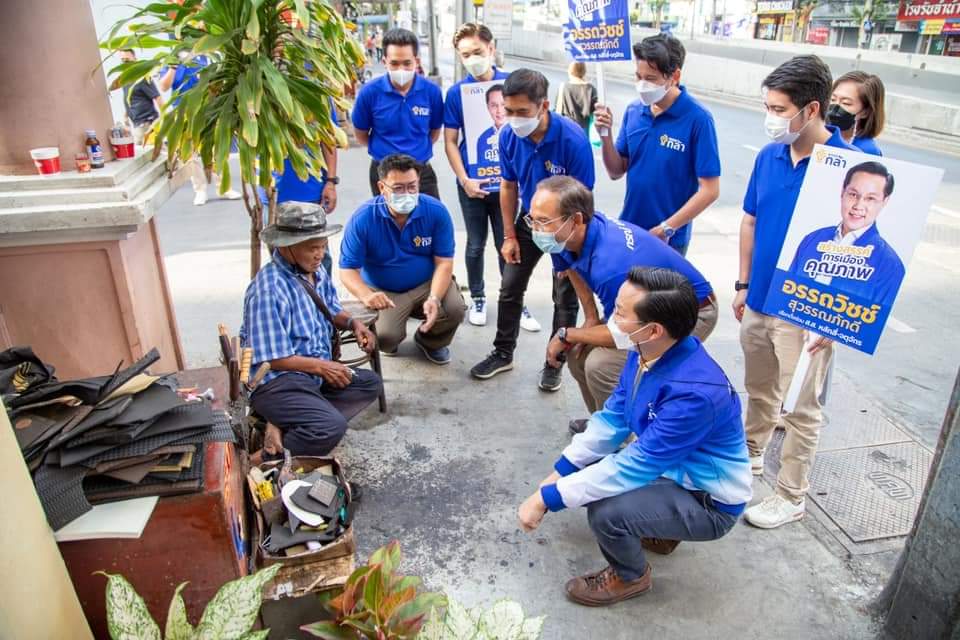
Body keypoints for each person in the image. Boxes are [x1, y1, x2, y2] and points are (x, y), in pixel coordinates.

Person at [517, 267, 752, 607]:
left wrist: (547, 498)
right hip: (673, 473)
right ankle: (660, 530)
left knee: (606, 511)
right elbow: (612, 418)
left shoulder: (695, 394)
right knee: (589, 474)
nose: (612, 321)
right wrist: (559, 472)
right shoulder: (646, 351)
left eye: (620, 313)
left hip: (708, 501)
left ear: (653, 329)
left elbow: (634, 466)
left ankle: (630, 576)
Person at [733, 55, 857, 530]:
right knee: (760, 388)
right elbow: (750, 220)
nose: (771, 118)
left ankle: (791, 495)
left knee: (802, 409)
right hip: (759, 299)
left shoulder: (848, 170)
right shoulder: (769, 156)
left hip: (807, 310)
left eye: (779, 109)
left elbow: (858, 251)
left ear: (811, 109)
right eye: (767, 106)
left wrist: (833, 318)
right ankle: (750, 454)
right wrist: (743, 284)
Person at [526, 176, 717, 431]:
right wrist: (590, 317)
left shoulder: (612, 266)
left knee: (601, 366)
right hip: (640, 309)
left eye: (544, 221)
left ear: (576, 220)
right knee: (577, 355)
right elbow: (571, 267)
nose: (536, 229)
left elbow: (622, 333)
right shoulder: (567, 236)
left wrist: (566, 333)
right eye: (532, 219)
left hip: (688, 313)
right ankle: (603, 425)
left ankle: (623, 439)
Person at [469, 69, 595, 391]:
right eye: (509, 110)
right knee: (510, 286)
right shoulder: (508, 137)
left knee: (564, 296)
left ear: (544, 106)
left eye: (522, 112)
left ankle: (554, 363)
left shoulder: (573, 141)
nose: (514, 119)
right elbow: (508, 186)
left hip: (566, 226)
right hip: (530, 220)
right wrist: (509, 235)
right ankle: (502, 352)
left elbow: (584, 203)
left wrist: (571, 254)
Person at [241, 202, 383, 461]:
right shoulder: (268, 289)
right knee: (329, 428)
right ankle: (263, 459)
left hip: (311, 375)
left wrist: (355, 324)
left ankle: (283, 423)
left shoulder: (314, 271)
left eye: (323, 246)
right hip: (278, 381)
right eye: (312, 248)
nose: (320, 254)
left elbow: (331, 309)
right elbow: (272, 358)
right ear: (286, 246)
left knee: (369, 383)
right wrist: (322, 367)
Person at [594, 34, 720, 256]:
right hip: (629, 229)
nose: (642, 85)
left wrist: (667, 228)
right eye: (638, 76)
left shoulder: (698, 119)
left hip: (669, 240)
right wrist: (605, 135)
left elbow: (710, 190)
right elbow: (616, 171)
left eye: (651, 78)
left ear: (675, 76)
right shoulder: (634, 111)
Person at [339, 154, 465, 365]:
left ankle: (431, 341)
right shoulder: (363, 219)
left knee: (454, 309)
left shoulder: (436, 212)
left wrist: (434, 298)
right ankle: (392, 335)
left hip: (425, 284)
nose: (406, 194)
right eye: (398, 188)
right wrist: (366, 295)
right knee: (385, 339)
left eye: (412, 187)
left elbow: (444, 262)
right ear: (382, 187)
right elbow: (347, 270)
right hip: (385, 292)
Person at [443, 23, 509, 327]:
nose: (472, 59)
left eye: (477, 52)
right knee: (475, 244)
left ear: (491, 48)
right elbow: (450, 141)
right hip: (472, 183)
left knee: (508, 243)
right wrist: (464, 179)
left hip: (508, 185)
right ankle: (478, 297)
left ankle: (513, 299)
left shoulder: (513, 82)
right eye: (465, 54)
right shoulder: (457, 93)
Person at [788, 161, 904, 307]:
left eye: (870, 198)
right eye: (853, 194)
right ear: (842, 192)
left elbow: (875, 318)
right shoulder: (812, 239)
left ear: (884, 202)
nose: (858, 206)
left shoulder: (890, 265)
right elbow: (785, 295)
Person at [352, 28, 444, 200]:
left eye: (407, 63)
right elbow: (361, 134)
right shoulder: (369, 93)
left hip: (421, 172)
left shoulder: (432, 92)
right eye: (394, 63)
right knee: (387, 217)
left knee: (431, 215)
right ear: (384, 61)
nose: (401, 69)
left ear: (416, 61)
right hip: (384, 174)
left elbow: (434, 132)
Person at [261, 100, 341, 275]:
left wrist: (331, 181)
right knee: (281, 262)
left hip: (310, 192)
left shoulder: (316, 94)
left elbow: (328, 139)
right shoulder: (260, 91)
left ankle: (321, 293)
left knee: (319, 259)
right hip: (274, 194)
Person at [159, 53, 242, 206]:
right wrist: (173, 67)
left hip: (208, 110)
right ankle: (200, 190)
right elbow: (164, 86)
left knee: (218, 148)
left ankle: (224, 187)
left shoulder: (206, 56)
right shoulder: (173, 59)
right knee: (191, 153)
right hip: (184, 111)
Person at [828, 70, 886, 156]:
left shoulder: (866, 150)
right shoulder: (818, 134)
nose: (835, 107)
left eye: (846, 103)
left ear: (866, 112)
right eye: (833, 99)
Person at [117, 50, 164, 146]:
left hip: (147, 122)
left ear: (135, 59)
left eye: (127, 60)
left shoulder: (142, 77)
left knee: (148, 150)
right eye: (123, 60)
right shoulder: (125, 79)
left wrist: (165, 117)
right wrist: (125, 116)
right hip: (137, 123)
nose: (125, 63)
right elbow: (129, 99)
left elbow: (157, 97)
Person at [554, 61, 598, 133]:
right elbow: (594, 110)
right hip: (584, 129)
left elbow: (557, 109)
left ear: (570, 71)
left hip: (567, 127)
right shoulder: (590, 88)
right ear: (584, 71)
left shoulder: (563, 87)